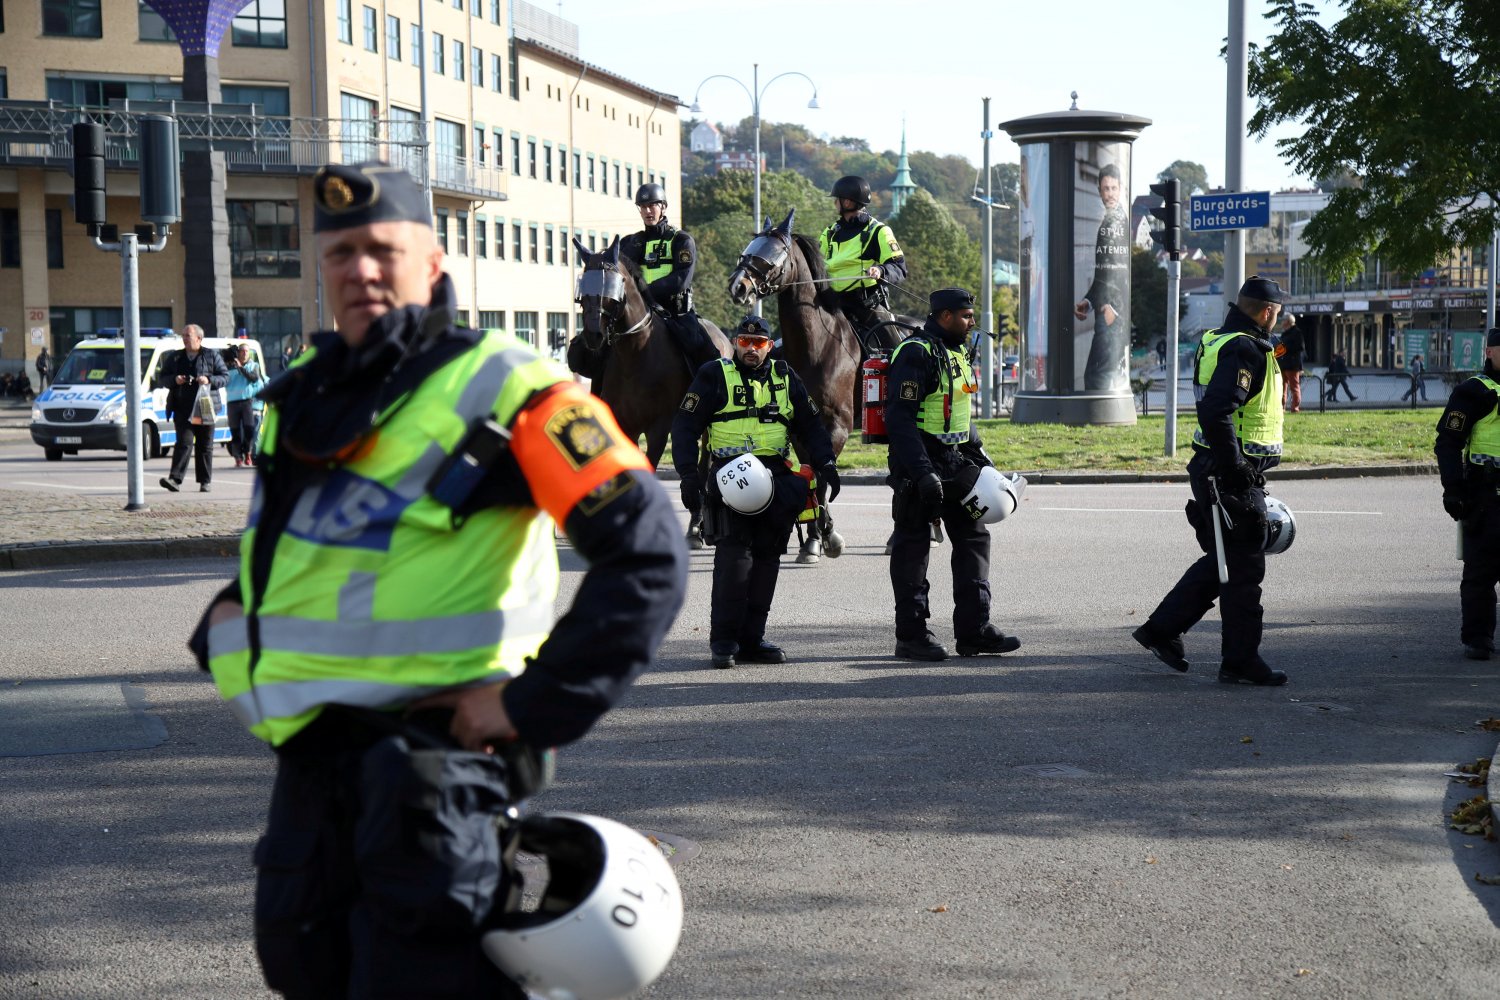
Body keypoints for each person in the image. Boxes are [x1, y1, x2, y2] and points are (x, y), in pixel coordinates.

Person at [188, 161, 688, 998]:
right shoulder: (301, 400)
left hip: (435, 772)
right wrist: (235, 649)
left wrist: (528, 708)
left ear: (434, 263)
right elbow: (285, 567)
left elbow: (648, 553)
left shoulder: (509, 385)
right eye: (342, 252)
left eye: (384, 248)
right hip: (315, 765)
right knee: (302, 966)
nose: (362, 269)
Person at [1133, 275, 1290, 686]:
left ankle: (1161, 632)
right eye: (1279, 312)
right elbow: (1218, 410)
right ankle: (1239, 661)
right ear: (1269, 311)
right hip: (1229, 472)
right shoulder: (1244, 348)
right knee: (1243, 571)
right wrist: (1235, 465)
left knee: (1227, 562)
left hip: (1218, 467)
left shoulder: (1218, 338)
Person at [671, 313, 838, 669]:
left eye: (758, 343)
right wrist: (688, 475)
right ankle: (724, 642)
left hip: (777, 478)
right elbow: (685, 426)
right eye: (744, 342)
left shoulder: (784, 376)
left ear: (768, 346)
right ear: (735, 343)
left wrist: (827, 464)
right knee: (734, 563)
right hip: (731, 479)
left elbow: (810, 426)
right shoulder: (714, 375)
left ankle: (752, 640)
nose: (751, 349)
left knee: (767, 562)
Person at [884, 287, 1021, 661]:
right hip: (919, 465)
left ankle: (975, 631)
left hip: (956, 461)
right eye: (965, 316)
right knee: (913, 547)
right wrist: (923, 473)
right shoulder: (915, 353)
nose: (971, 322)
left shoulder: (957, 352)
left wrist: (986, 463)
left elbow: (962, 420)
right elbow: (899, 419)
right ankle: (911, 636)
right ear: (944, 316)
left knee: (974, 538)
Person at [1433, 329, 1500, 659]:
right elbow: (1448, 442)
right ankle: (1478, 638)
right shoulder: (1474, 391)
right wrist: (1453, 489)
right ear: (1489, 352)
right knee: (1480, 573)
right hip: (1486, 495)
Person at [617, 183, 719, 369]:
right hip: (638, 309)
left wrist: (646, 293)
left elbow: (681, 280)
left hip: (675, 312)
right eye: (643, 207)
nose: (648, 211)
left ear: (663, 206)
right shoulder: (629, 243)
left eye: (652, 205)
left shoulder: (681, 240)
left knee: (701, 349)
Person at [819, 175, 908, 348]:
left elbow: (899, 267)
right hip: (831, 302)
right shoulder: (829, 232)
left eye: (836, 199)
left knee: (894, 348)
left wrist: (881, 271)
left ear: (846, 203)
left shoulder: (879, 231)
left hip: (865, 304)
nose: (834, 203)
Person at [1073, 163, 1129, 391]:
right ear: (1099, 190)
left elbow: (1120, 273)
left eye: (1114, 188)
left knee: (1097, 376)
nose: (1110, 194)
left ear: (1121, 188)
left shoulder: (1116, 223)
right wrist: (1088, 301)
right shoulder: (1110, 222)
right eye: (1106, 189)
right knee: (1100, 373)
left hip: (1111, 313)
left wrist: (1110, 308)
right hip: (1107, 309)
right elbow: (1104, 273)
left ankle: (1102, 421)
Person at [159, 324, 228, 493]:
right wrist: (175, 380)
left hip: (205, 406)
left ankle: (205, 481)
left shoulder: (211, 355)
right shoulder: (175, 357)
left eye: (187, 336)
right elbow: (163, 377)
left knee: (205, 445)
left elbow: (225, 377)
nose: (184, 339)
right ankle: (175, 480)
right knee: (184, 443)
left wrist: (209, 380)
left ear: (199, 338)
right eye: (183, 336)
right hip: (182, 408)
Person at [223, 343, 262, 468]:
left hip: (247, 402)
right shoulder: (229, 366)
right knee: (235, 432)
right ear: (238, 353)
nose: (245, 353)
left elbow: (254, 378)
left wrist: (241, 368)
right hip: (232, 402)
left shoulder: (253, 366)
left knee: (249, 429)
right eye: (242, 351)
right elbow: (223, 379)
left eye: (247, 351)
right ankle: (238, 457)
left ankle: (247, 453)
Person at [1274, 312, 1304, 411]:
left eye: (1283, 320)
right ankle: (1281, 407)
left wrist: (1285, 348)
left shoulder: (1297, 332)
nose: (1281, 322)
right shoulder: (1285, 333)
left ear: (1287, 321)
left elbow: (1300, 347)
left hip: (1292, 365)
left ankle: (1295, 408)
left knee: (1294, 388)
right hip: (1283, 364)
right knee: (1282, 388)